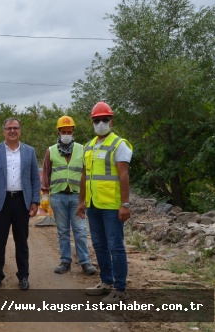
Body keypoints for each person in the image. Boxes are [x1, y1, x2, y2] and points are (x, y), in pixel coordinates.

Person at [76, 102, 133, 303]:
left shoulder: (119, 145)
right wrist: (82, 201)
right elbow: (85, 176)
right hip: (94, 206)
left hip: (112, 206)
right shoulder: (89, 145)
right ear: (92, 122)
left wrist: (125, 204)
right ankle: (106, 282)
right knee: (99, 245)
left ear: (111, 121)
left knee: (115, 246)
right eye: (97, 120)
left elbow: (123, 175)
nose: (101, 123)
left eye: (104, 119)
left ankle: (120, 288)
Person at [0, 117, 40, 290]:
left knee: (22, 241)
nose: (12, 131)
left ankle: (23, 275)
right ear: (3, 131)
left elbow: (35, 179)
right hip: (1, 202)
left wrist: (35, 201)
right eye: (9, 128)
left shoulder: (29, 151)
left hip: (22, 201)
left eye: (15, 128)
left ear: (20, 130)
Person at [41, 116, 97, 275]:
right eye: (63, 131)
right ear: (58, 132)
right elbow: (46, 174)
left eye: (69, 131)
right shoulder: (51, 151)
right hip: (58, 196)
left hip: (77, 197)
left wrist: (86, 198)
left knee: (80, 230)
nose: (66, 134)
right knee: (63, 231)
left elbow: (87, 173)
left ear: (73, 132)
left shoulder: (82, 149)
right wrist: (45, 195)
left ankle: (85, 261)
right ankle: (65, 261)